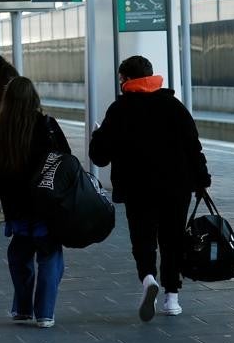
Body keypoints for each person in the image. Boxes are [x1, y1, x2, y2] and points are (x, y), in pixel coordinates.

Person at [90, 56, 211, 322]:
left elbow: (99, 156)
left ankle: (147, 279)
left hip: (137, 188)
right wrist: (202, 180)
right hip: (176, 187)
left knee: (143, 238)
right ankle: (172, 299)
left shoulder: (119, 110)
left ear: (125, 79)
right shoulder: (174, 106)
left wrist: (97, 135)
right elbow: (194, 147)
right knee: (173, 240)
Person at [0, 77, 70, 329]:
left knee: (19, 254)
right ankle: (45, 313)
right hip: (47, 205)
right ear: (34, 98)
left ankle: (23, 309)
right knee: (49, 254)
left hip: (17, 207)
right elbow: (66, 162)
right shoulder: (47, 126)